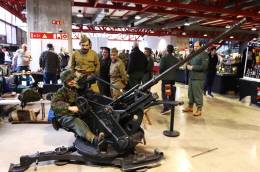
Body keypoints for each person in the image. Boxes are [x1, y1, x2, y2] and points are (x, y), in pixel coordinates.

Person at [51, 70, 104, 146]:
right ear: (65, 82)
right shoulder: (61, 91)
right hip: (64, 116)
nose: (72, 81)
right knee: (77, 122)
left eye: (73, 79)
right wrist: (69, 107)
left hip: (77, 112)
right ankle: (94, 140)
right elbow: (54, 104)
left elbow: (87, 93)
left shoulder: (76, 88)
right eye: (69, 80)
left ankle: (100, 133)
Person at [182, 41, 208, 116]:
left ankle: (199, 109)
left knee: (197, 94)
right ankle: (190, 107)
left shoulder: (204, 54)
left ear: (201, 46)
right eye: (194, 46)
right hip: (191, 77)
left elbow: (204, 66)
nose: (195, 48)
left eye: (197, 46)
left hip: (198, 78)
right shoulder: (193, 54)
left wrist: (193, 67)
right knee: (190, 93)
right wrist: (186, 64)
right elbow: (189, 62)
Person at [160, 45, 179, 114]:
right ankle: (170, 106)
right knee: (170, 92)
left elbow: (161, 68)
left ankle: (166, 108)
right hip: (172, 79)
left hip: (165, 79)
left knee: (164, 93)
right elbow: (177, 68)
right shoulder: (176, 59)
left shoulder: (164, 58)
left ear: (167, 50)